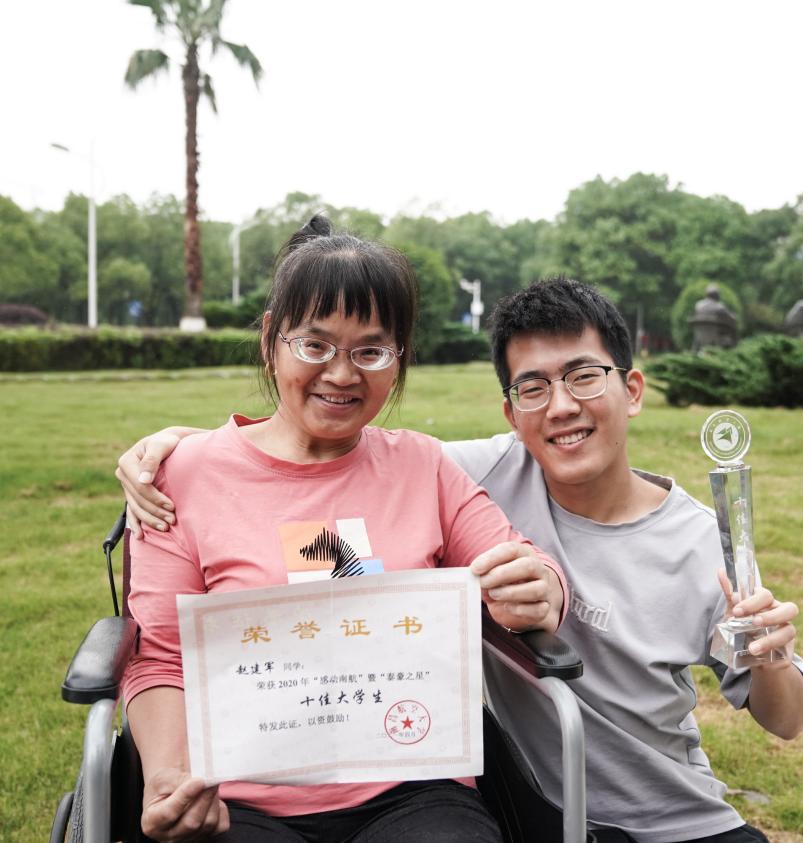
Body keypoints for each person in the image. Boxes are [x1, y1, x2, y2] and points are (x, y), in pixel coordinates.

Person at [120, 277, 803, 843]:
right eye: (533, 387)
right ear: (511, 413)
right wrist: (195, 452)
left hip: (677, 815)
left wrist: (770, 654)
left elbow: (785, 719)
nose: (561, 407)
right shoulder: (477, 466)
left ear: (630, 389)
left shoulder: (701, 540)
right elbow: (324, 486)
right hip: (544, 802)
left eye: (583, 376)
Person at [120, 216, 567, 843]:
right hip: (238, 795)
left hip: (411, 785)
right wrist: (169, 777)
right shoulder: (182, 477)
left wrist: (540, 587)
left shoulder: (423, 466)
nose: (341, 373)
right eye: (315, 345)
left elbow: (522, 563)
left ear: (399, 358)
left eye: (370, 351)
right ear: (271, 340)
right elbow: (161, 658)